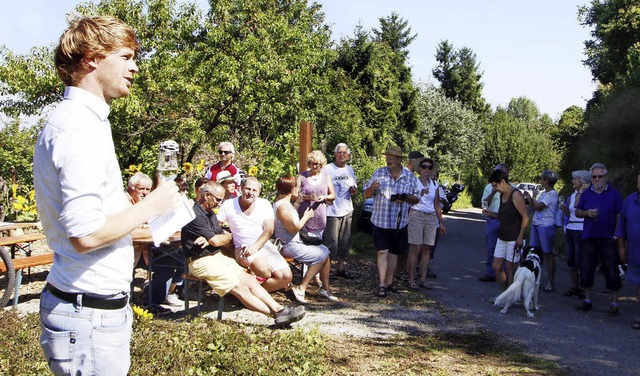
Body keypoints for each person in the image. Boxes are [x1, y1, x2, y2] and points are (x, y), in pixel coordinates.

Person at [33, 16, 182, 375]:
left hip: (92, 313)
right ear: (93, 57)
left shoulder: (86, 121)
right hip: (87, 318)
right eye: (127, 56)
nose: (135, 67)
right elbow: (85, 234)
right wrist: (153, 204)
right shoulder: (78, 127)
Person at [181, 181, 306, 326]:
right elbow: (217, 240)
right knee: (240, 287)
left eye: (221, 200)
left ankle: (279, 310)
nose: (219, 204)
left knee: (250, 280)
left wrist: (218, 238)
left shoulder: (208, 214)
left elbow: (225, 236)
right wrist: (216, 239)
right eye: (217, 199)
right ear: (207, 195)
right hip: (201, 261)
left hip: (216, 257)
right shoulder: (194, 214)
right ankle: (276, 314)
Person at [217, 177, 292, 292]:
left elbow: (269, 230)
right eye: (247, 189)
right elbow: (216, 226)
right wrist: (228, 241)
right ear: (241, 188)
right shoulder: (228, 205)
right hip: (242, 249)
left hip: (264, 246)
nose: (250, 193)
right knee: (262, 268)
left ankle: (250, 293)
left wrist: (255, 247)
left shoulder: (264, 204)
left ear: (258, 192)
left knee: (286, 276)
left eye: (254, 190)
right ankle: (249, 294)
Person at [364, 145, 420, 297]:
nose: (388, 159)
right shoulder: (379, 173)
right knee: (382, 252)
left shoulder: (409, 177)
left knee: (394, 253)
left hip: (399, 222)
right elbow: (366, 194)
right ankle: (381, 284)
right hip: (380, 220)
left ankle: (389, 282)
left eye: (392, 157)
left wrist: (406, 198)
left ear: (399, 159)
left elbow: (416, 198)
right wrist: (372, 189)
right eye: (387, 157)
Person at [274, 175, 338, 303]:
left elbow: (292, 217)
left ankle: (325, 289)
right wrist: (306, 217)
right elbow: (293, 228)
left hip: (295, 242)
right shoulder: (282, 207)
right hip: (288, 245)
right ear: (292, 189)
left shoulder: (285, 202)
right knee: (323, 254)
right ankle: (301, 287)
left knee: (324, 251)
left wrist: (298, 201)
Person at [575, 163, 623, 315]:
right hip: (590, 237)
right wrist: (587, 213)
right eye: (594, 177)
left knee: (611, 270)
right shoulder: (587, 193)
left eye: (600, 176)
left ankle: (614, 302)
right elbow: (577, 212)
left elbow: (619, 216)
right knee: (586, 268)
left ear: (606, 177)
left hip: (608, 238)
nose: (597, 179)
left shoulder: (614, 194)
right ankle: (587, 299)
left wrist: (617, 235)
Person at [486, 169, 529, 293]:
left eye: (495, 185)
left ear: (503, 182)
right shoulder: (501, 194)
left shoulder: (515, 194)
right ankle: (504, 293)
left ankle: (510, 297)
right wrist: (491, 214)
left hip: (514, 237)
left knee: (510, 269)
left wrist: (520, 236)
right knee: (496, 266)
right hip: (502, 236)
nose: (494, 189)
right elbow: (502, 215)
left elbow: (525, 216)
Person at [406, 157, 446, 290]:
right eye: (424, 167)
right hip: (416, 214)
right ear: (420, 168)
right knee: (415, 248)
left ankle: (423, 278)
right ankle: (411, 279)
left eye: (429, 167)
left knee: (427, 249)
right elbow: (409, 200)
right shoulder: (414, 182)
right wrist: (419, 195)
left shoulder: (435, 184)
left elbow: (436, 204)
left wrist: (440, 222)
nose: (426, 170)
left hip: (430, 217)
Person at [323, 143, 358, 279]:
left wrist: (353, 190)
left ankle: (341, 267)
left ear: (348, 156)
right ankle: (327, 269)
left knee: (344, 241)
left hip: (347, 209)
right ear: (335, 154)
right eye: (339, 152)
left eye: (344, 153)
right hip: (331, 211)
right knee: (331, 241)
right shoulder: (327, 169)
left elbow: (354, 187)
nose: (341, 155)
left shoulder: (349, 170)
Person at [523, 170, 559, 292]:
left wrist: (532, 197)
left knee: (548, 253)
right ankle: (533, 278)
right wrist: (529, 198)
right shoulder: (543, 194)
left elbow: (538, 206)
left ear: (547, 181)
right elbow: (534, 208)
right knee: (534, 251)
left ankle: (551, 281)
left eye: (542, 179)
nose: (540, 181)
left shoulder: (552, 194)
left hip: (546, 226)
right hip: (537, 224)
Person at [559, 170, 591, 299]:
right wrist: (565, 209)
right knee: (571, 259)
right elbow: (571, 214)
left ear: (582, 181)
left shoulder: (588, 195)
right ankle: (574, 287)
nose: (572, 181)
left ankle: (584, 288)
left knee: (581, 260)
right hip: (571, 228)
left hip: (582, 228)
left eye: (575, 179)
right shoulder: (572, 196)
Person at [616, 172, 640, 329]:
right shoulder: (630, 200)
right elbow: (621, 226)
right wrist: (621, 247)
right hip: (635, 251)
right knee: (639, 285)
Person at [478, 163, 510, 282]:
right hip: (493, 220)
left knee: (507, 248)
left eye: (502, 173)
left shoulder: (510, 188)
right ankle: (491, 272)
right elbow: (484, 204)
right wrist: (493, 192)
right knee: (492, 247)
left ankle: (506, 274)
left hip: (506, 221)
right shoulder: (489, 187)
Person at [293, 150, 336, 237]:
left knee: (317, 243)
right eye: (313, 163)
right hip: (303, 216)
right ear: (309, 163)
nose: (315, 166)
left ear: (321, 165)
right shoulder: (301, 176)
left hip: (319, 217)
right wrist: (305, 197)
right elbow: (293, 195)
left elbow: (333, 195)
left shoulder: (326, 177)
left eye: (318, 164)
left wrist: (325, 197)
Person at [126, 172, 154, 273]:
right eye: (141, 189)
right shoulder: (123, 202)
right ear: (131, 188)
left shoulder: (145, 203)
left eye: (148, 189)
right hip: (127, 252)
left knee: (172, 260)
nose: (145, 193)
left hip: (145, 250)